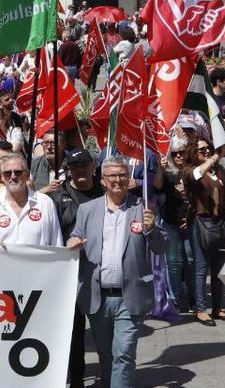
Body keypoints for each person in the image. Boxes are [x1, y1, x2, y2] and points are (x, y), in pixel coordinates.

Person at [67, 156, 166, 388]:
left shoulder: (143, 209)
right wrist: (72, 241)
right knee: (106, 353)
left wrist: (152, 229)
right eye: (112, 175)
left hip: (130, 295)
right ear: (102, 180)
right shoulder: (87, 209)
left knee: (124, 353)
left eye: (122, 175)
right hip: (97, 296)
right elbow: (75, 235)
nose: (118, 180)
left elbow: (161, 248)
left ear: (129, 178)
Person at [48, 148, 105, 388]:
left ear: (93, 166)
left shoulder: (107, 193)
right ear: (68, 170)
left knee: (106, 333)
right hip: (70, 275)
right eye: (74, 166)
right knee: (74, 334)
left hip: (103, 273)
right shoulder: (57, 197)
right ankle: (77, 380)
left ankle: (113, 377)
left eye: (83, 165)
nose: (79, 170)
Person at [185, 134, 225, 326]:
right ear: (194, 152)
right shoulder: (189, 171)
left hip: (220, 222)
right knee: (201, 268)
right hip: (201, 223)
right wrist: (215, 157)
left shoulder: (217, 170)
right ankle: (200, 309)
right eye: (202, 150)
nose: (207, 152)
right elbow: (197, 175)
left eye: (208, 149)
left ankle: (217, 307)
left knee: (218, 268)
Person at [0, 153, 63, 247]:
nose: (13, 177)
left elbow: (57, 244)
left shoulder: (45, 203)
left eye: (18, 172)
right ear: (2, 177)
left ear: (27, 175)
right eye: (7, 173)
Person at [154, 138, 194, 314]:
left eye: (181, 152)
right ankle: (175, 298)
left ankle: (194, 298)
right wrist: (161, 171)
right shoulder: (168, 173)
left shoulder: (194, 172)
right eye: (174, 153)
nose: (178, 156)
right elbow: (157, 188)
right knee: (174, 262)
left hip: (191, 222)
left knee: (191, 260)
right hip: (171, 221)